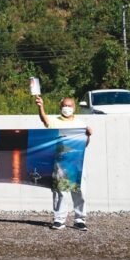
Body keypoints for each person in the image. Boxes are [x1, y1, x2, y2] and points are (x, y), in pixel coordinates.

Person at [35, 96, 93, 231]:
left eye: (69, 106)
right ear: (60, 107)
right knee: (60, 191)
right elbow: (45, 120)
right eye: (64, 106)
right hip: (60, 163)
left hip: (77, 162)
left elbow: (85, 144)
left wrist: (88, 135)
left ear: (74, 107)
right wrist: (40, 106)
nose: (67, 108)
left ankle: (80, 220)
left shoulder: (80, 123)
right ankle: (59, 219)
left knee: (80, 191)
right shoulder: (55, 121)